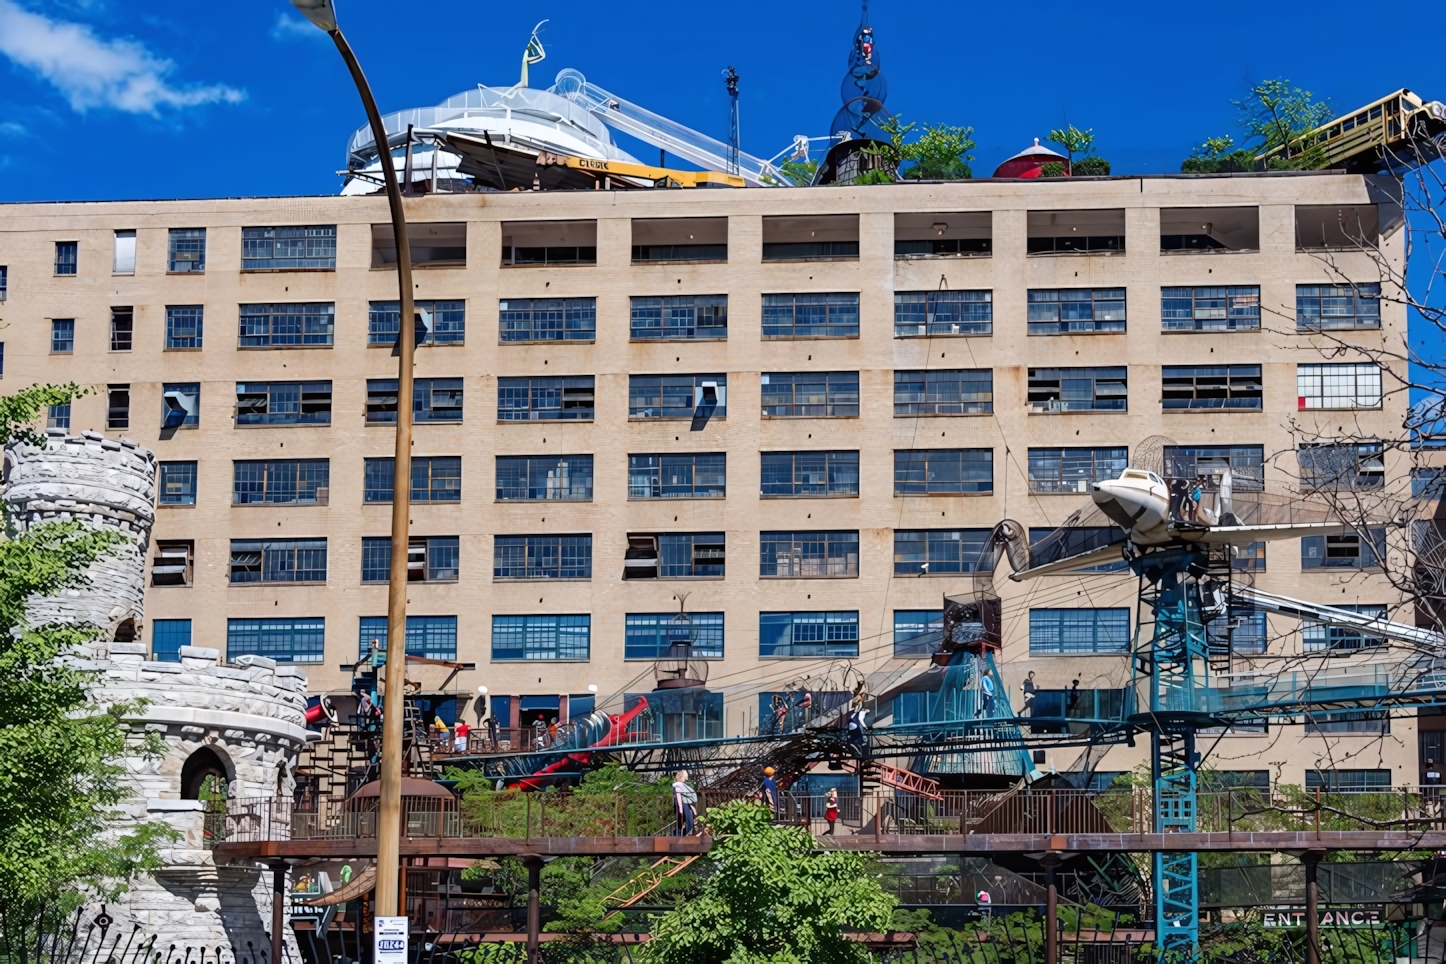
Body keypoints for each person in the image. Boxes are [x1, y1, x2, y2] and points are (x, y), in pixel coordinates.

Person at [673, 770, 698, 836]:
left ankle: (682, 835)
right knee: (688, 823)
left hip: (685, 805)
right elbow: (679, 799)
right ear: (682, 776)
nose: (687, 776)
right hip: (684, 806)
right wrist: (680, 809)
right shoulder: (679, 786)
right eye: (686, 775)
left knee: (688, 823)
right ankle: (682, 836)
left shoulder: (681, 786)